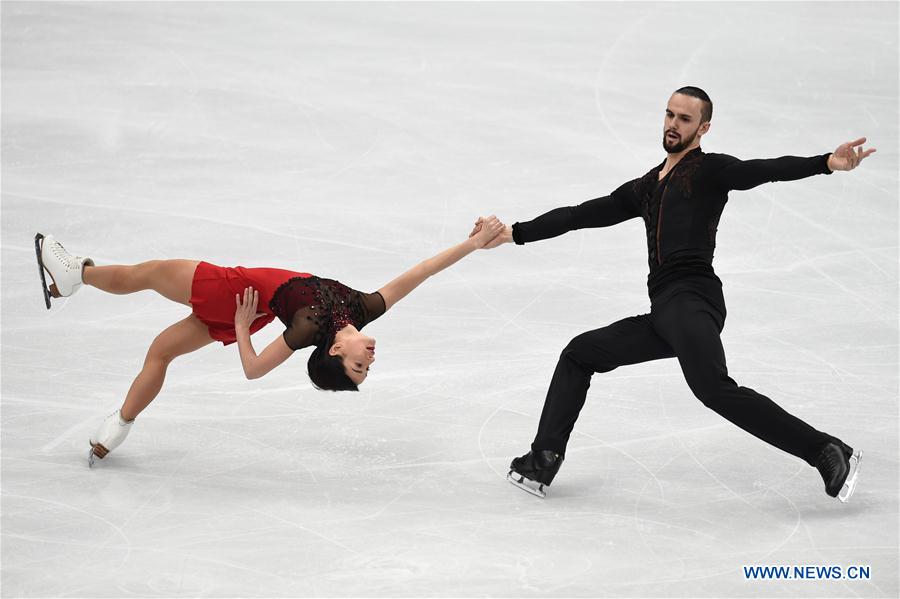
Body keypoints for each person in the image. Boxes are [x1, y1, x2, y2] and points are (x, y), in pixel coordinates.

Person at [470, 86, 874, 502]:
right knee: (580, 353)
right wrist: (515, 234)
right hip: (666, 312)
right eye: (669, 115)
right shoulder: (647, 186)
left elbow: (762, 169)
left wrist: (826, 163)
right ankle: (542, 461)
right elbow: (580, 215)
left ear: (703, 128)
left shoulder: (709, 171)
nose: (673, 124)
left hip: (692, 298)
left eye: (684, 119)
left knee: (713, 389)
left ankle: (825, 450)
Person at [34, 216, 507, 465]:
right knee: (160, 353)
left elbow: (253, 370)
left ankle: (77, 273)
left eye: (360, 367)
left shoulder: (308, 327)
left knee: (152, 274)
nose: (371, 359)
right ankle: (112, 432)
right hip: (248, 307)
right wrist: (472, 244)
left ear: (336, 353)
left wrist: (241, 327)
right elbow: (419, 273)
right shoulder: (362, 308)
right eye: (367, 366)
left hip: (233, 293)